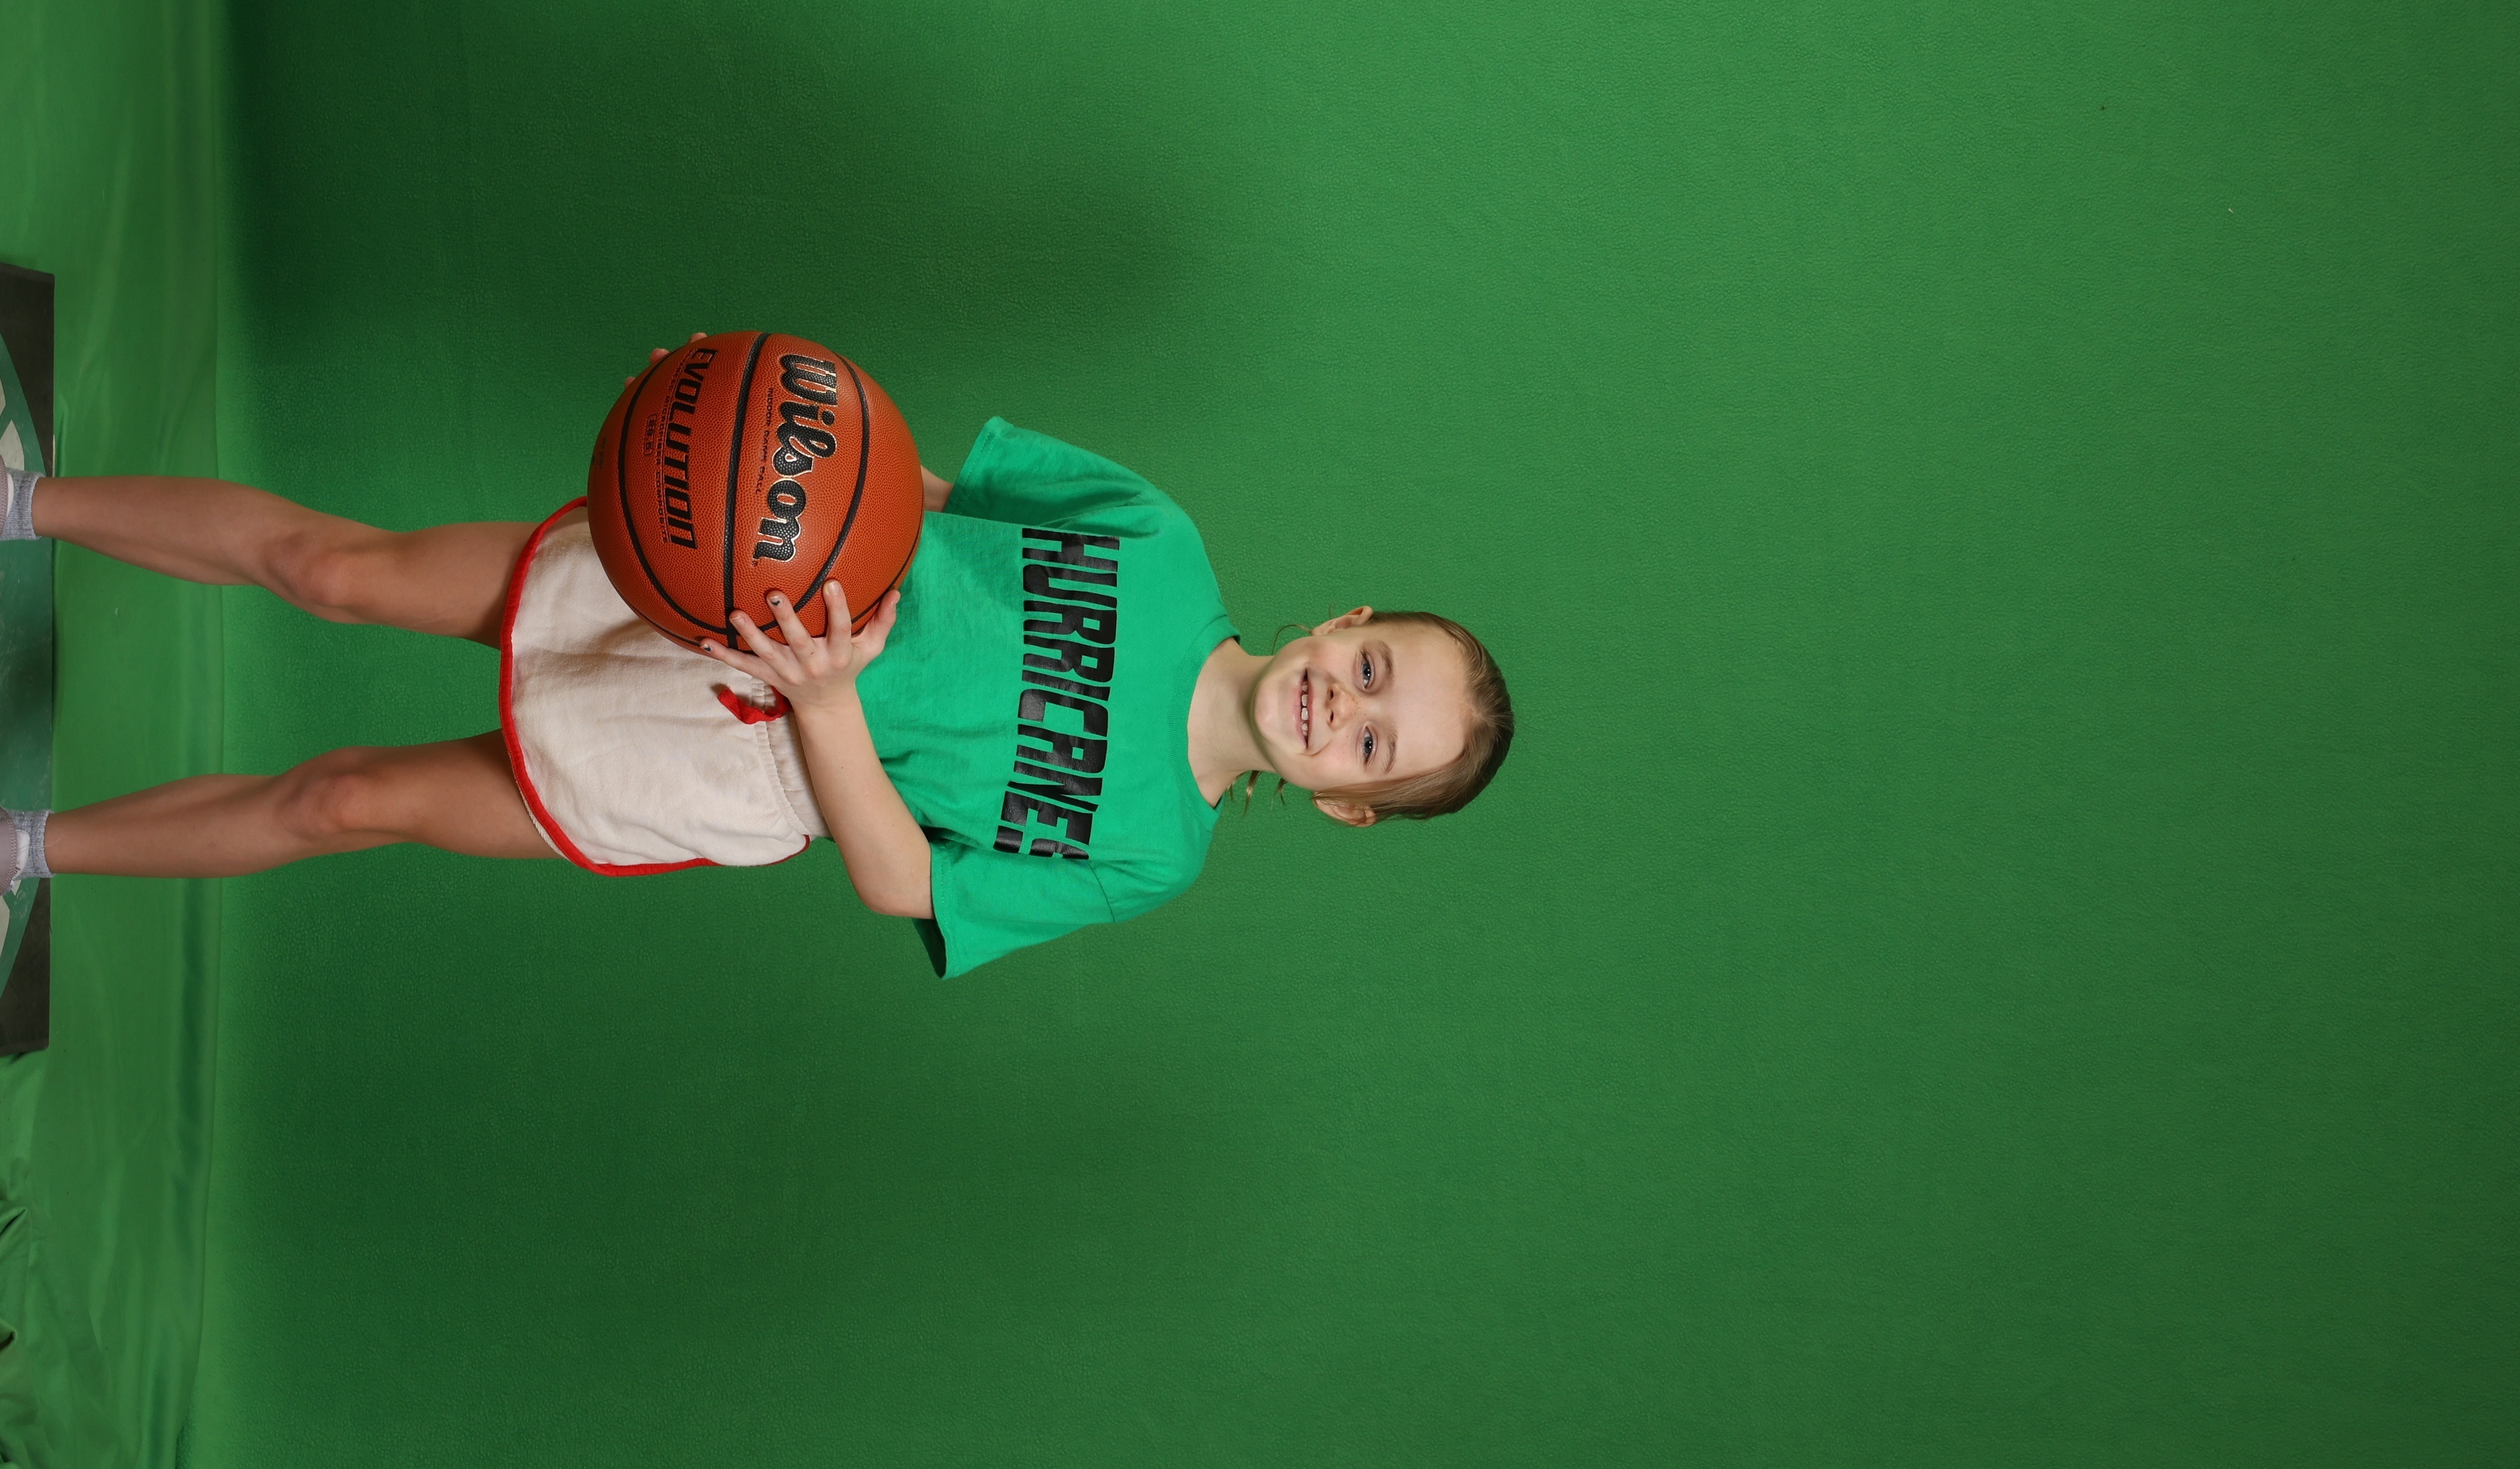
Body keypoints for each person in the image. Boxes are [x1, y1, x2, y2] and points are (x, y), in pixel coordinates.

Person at [0, 336, 1515, 978]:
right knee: (336, 568)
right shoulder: (1161, 541)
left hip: (749, 763)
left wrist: (829, 704)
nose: (1344, 705)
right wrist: (741, 420)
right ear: (1346, 621)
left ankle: (28, 847)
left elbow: (902, 881)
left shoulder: (1153, 855)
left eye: (1374, 744)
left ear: (1347, 803)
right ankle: (24, 498)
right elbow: (913, 486)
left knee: (346, 798)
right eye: (1375, 666)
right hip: (737, 584)